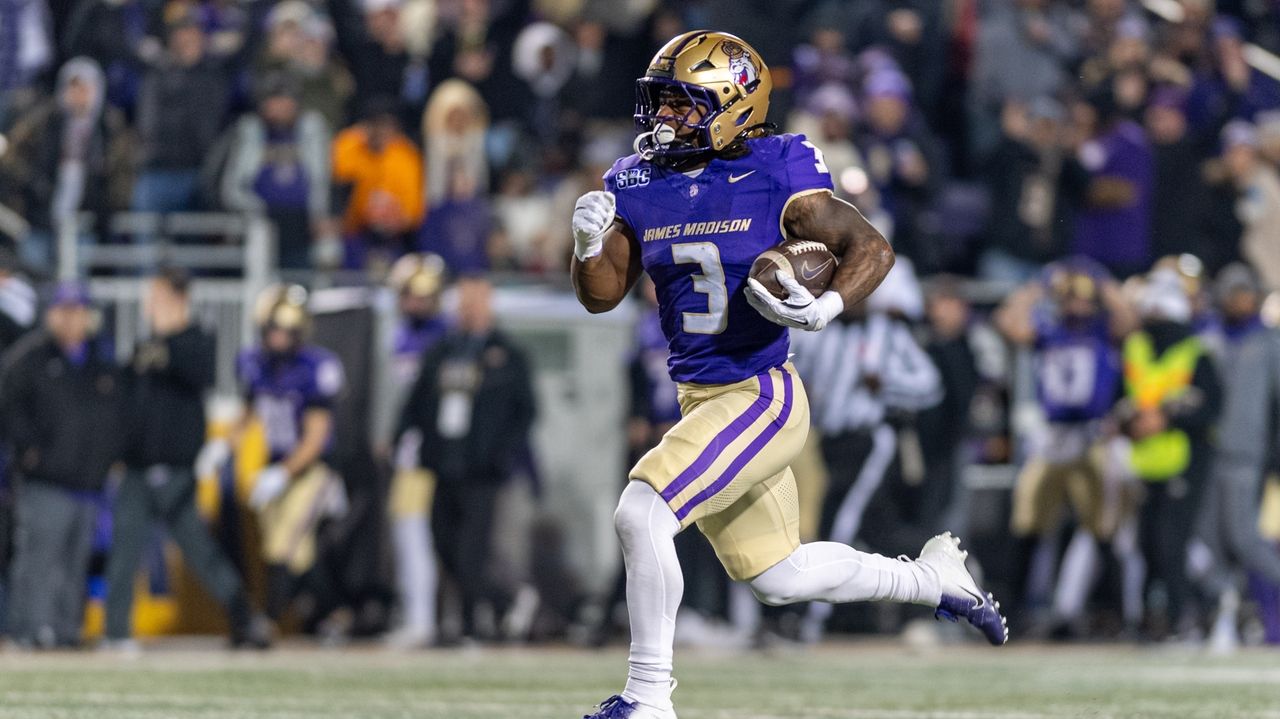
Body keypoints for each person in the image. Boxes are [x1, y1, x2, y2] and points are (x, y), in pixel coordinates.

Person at [570, 32, 1006, 719]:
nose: (665, 119)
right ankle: (932, 579)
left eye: (683, 104)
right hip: (701, 399)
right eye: (661, 103)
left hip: (759, 393)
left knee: (641, 510)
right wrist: (586, 246)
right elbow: (600, 296)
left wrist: (824, 307)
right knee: (779, 575)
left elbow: (870, 248)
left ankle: (648, 698)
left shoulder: (777, 169)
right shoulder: (637, 180)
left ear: (734, 107)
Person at [104, 267, 270, 651]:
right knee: (125, 552)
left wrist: (165, 348)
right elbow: (126, 400)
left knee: (200, 552)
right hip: (137, 469)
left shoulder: (197, 341)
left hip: (177, 470)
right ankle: (116, 633)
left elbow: (195, 370)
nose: (149, 306)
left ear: (179, 299)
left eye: (157, 297)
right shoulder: (145, 346)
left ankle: (245, 621)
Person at [994, 257, 1138, 633]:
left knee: (1103, 527)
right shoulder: (1050, 330)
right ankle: (1012, 612)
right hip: (1054, 436)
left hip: (1093, 435)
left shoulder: (1103, 330)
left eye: (1082, 297)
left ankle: (1115, 615)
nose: (1076, 304)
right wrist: (1039, 285)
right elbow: (1007, 322)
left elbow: (1129, 319)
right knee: (1028, 522)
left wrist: (1100, 279)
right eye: (1069, 297)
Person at [396, 274, 536, 643]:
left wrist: (502, 452)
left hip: (482, 467)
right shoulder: (442, 350)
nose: (469, 310)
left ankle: (473, 624)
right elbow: (417, 400)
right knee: (443, 543)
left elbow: (525, 410)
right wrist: (400, 437)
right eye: (464, 302)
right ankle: (503, 602)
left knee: (471, 550)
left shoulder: (507, 354)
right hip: (443, 461)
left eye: (476, 302)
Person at [200, 284, 346, 625]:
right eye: (275, 329)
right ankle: (333, 612)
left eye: (287, 330)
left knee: (282, 547)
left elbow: (316, 436)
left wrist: (283, 473)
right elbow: (248, 412)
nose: (279, 337)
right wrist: (223, 445)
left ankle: (267, 620)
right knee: (292, 555)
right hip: (276, 464)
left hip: (310, 469)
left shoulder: (314, 367)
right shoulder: (255, 363)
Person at [0, 280, 123, 648]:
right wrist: (28, 450)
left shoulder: (100, 360)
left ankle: (67, 631)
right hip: (45, 479)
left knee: (76, 561)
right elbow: (8, 405)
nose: (71, 319)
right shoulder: (31, 357)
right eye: (64, 311)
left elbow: (115, 415)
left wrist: (106, 458)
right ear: (51, 314)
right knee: (38, 558)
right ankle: (29, 629)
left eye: (78, 311)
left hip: (88, 480)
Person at [1115, 268, 1220, 638]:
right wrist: (1132, 424)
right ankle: (1155, 619)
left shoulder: (1195, 353)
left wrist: (1166, 419)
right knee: (1147, 545)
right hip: (1145, 459)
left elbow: (1211, 409)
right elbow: (1119, 400)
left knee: (1171, 542)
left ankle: (1188, 614)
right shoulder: (1137, 348)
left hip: (1184, 459)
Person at [381, 252, 448, 648]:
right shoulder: (400, 334)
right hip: (412, 448)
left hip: (429, 449)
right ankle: (419, 616)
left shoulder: (440, 338)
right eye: (410, 294)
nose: (415, 302)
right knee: (410, 533)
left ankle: (422, 619)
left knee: (415, 533)